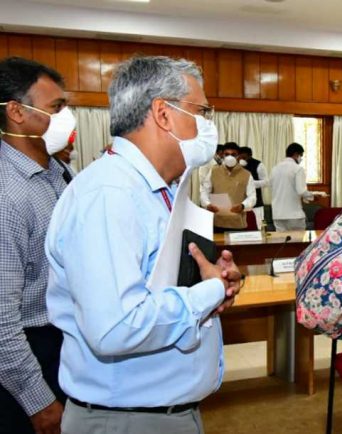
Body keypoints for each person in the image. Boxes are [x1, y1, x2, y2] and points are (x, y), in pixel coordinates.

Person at [45, 56, 242, 434]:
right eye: (200, 111)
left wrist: (214, 284)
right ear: (163, 114)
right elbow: (116, 326)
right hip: (126, 419)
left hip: (161, 411)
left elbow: (156, 287)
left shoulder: (159, 189)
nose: (206, 124)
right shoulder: (110, 194)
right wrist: (208, 293)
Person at [0, 57, 75, 434]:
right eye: (56, 108)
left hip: (63, 343)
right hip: (26, 358)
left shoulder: (57, 174)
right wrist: (38, 401)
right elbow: (0, 317)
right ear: (16, 111)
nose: (66, 118)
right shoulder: (6, 193)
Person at [200, 142, 257, 231]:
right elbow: (204, 191)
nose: (230, 157)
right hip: (216, 223)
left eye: (233, 155)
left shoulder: (246, 174)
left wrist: (242, 206)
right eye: (227, 154)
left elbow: (252, 197)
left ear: (239, 156)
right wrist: (207, 204)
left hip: (238, 224)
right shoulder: (214, 171)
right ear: (222, 155)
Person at [270, 142, 315, 231]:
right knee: (297, 243)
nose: (300, 158)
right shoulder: (298, 169)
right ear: (296, 154)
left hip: (278, 215)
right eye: (300, 156)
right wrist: (312, 196)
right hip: (294, 215)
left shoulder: (274, 169)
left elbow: (272, 187)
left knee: (282, 243)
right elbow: (301, 191)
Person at [238, 145, 269, 226]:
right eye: (240, 158)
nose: (242, 160)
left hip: (256, 205)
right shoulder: (235, 165)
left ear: (250, 156)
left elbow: (266, 182)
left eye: (244, 158)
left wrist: (250, 183)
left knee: (258, 227)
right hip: (240, 204)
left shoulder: (258, 165)